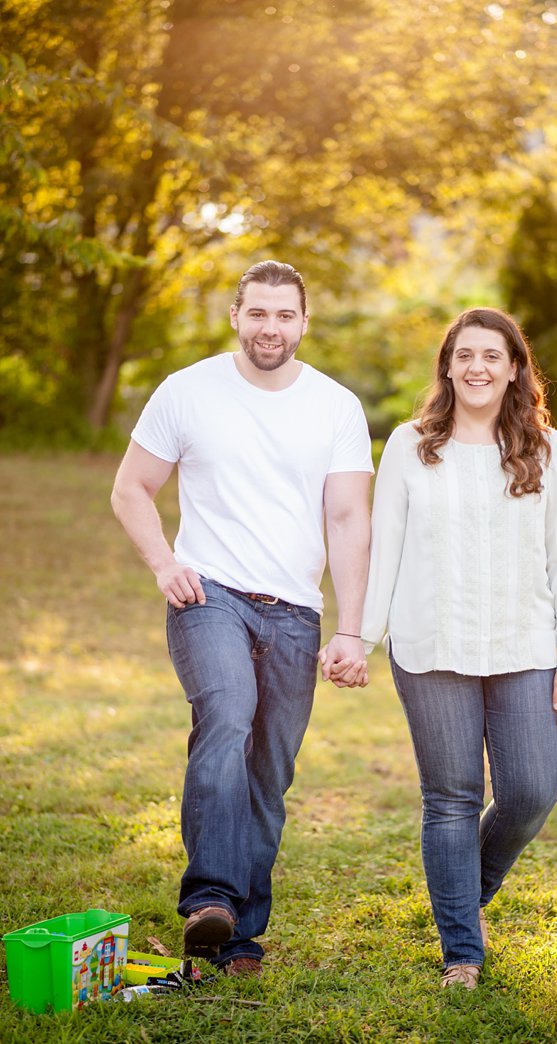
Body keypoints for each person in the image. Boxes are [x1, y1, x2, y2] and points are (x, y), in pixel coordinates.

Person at [111, 260, 373, 978]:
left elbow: (350, 518)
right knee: (226, 715)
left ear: (304, 322)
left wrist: (350, 629)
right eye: (258, 313)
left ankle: (241, 938)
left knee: (269, 771)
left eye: (285, 315)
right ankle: (208, 901)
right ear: (236, 316)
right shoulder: (188, 391)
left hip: (296, 613)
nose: (270, 328)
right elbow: (132, 487)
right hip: (209, 596)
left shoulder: (336, 406)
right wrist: (166, 562)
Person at [359, 306, 557, 990]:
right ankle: (462, 949)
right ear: (448, 366)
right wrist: (360, 639)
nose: (477, 367)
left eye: (492, 355)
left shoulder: (545, 450)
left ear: (515, 368)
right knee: (451, 799)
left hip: (524, 646)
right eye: (465, 355)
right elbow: (385, 551)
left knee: (530, 792)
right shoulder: (409, 445)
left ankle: (463, 895)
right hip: (432, 648)